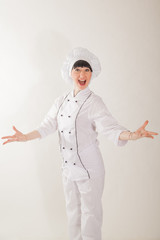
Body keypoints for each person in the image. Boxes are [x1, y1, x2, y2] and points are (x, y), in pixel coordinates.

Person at [2, 47, 158, 240]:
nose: (82, 74)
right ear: (70, 72)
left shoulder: (94, 102)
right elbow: (48, 125)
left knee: (91, 215)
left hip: (90, 168)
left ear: (92, 74)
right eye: (78, 69)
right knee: (73, 214)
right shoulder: (60, 101)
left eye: (87, 70)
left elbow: (109, 127)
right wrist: (25, 137)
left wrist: (132, 135)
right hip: (68, 167)